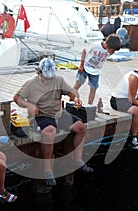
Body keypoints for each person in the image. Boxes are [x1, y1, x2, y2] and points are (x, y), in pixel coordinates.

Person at [13, 57, 93, 187]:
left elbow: (72, 93)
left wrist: (76, 98)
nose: (48, 80)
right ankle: (47, 170)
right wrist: (29, 105)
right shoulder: (30, 83)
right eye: (45, 77)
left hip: (58, 113)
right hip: (40, 115)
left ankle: (78, 160)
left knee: (80, 127)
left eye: (50, 77)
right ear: (39, 72)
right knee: (50, 132)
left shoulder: (58, 80)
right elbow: (17, 98)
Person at [73, 33, 121, 105]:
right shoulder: (95, 45)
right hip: (85, 67)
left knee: (93, 88)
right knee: (78, 84)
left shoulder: (108, 51)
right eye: (113, 51)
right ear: (107, 46)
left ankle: (89, 105)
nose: (113, 53)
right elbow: (84, 51)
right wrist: (81, 65)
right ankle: (71, 99)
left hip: (95, 71)